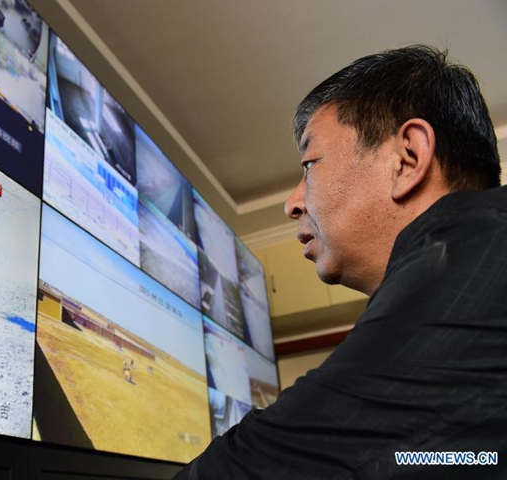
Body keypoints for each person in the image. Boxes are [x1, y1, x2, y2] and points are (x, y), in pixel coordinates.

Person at [175, 45, 506, 479]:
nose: (293, 204)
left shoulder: (472, 252)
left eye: (310, 163)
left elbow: (257, 466)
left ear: (408, 158)